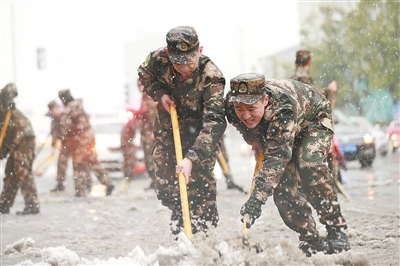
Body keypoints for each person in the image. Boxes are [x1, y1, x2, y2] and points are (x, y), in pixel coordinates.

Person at [224, 73, 350, 257]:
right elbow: (238, 121)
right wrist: (253, 139)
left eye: (251, 108)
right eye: (239, 108)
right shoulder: (230, 105)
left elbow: (276, 158)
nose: (245, 115)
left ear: (265, 100)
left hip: (312, 120)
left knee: (310, 166)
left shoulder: (283, 109)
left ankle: (336, 228)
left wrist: (256, 200)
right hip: (279, 130)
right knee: (283, 193)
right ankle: (311, 238)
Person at [138, 26, 227, 237]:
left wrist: (191, 158)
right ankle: (180, 213)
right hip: (170, 129)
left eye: (190, 62)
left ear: (200, 51)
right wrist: (160, 94)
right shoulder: (158, 59)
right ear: (169, 55)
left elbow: (214, 123)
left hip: (201, 134)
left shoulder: (211, 77)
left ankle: (206, 237)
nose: (185, 69)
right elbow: (144, 76)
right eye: (179, 63)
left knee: (201, 186)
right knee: (164, 184)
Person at [58, 89, 114, 197]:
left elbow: (65, 129)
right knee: (93, 162)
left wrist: (65, 139)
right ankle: (108, 182)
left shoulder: (67, 110)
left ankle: (80, 190)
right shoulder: (79, 105)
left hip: (79, 140)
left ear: (63, 99)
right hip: (89, 136)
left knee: (78, 164)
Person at [0, 83, 40, 215]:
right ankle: (4, 204)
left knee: (22, 172)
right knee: (11, 173)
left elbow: (4, 129)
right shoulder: (5, 110)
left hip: (24, 141)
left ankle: (32, 206)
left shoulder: (6, 108)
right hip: (14, 142)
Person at [136, 79, 157, 189]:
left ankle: (156, 182)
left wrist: (154, 132)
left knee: (151, 159)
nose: (140, 88)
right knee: (148, 159)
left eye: (141, 85)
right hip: (145, 134)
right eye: (138, 85)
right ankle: (154, 181)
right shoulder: (143, 98)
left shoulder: (149, 98)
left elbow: (153, 116)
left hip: (150, 134)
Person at [46, 100, 69, 192]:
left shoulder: (66, 116)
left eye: (53, 110)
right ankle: (60, 183)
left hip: (73, 143)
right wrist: (53, 147)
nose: (53, 112)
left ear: (57, 108)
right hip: (64, 145)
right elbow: (54, 135)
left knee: (81, 165)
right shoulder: (55, 120)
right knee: (61, 164)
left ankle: (85, 184)